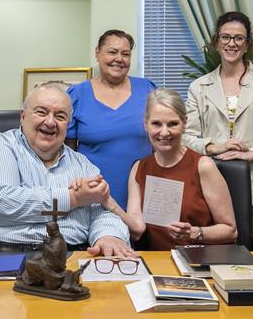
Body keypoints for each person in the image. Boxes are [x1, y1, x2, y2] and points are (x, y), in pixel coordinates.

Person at [0, 82, 135, 258]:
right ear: (23, 116)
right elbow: (1, 204)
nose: (50, 122)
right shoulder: (0, 146)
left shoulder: (83, 164)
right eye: (41, 112)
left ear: (68, 124)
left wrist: (109, 235)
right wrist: (72, 198)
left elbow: (101, 210)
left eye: (60, 116)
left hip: (70, 254)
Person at [183, 11, 253, 250]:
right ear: (215, 42)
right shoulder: (199, 87)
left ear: (247, 44)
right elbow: (185, 136)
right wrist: (213, 147)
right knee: (217, 261)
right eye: (225, 37)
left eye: (238, 38)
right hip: (212, 191)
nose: (231, 44)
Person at [100, 88, 237, 250]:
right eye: (156, 124)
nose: (164, 132)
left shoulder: (203, 166)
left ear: (184, 124)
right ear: (146, 124)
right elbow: (137, 230)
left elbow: (230, 231)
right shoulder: (139, 168)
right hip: (159, 262)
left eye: (172, 124)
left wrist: (194, 233)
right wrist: (108, 203)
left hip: (201, 259)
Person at [66, 30, 156, 208]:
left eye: (125, 54)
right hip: (94, 194)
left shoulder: (148, 89)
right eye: (112, 52)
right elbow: (66, 152)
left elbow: (163, 140)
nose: (119, 59)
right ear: (97, 53)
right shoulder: (76, 95)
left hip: (144, 191)